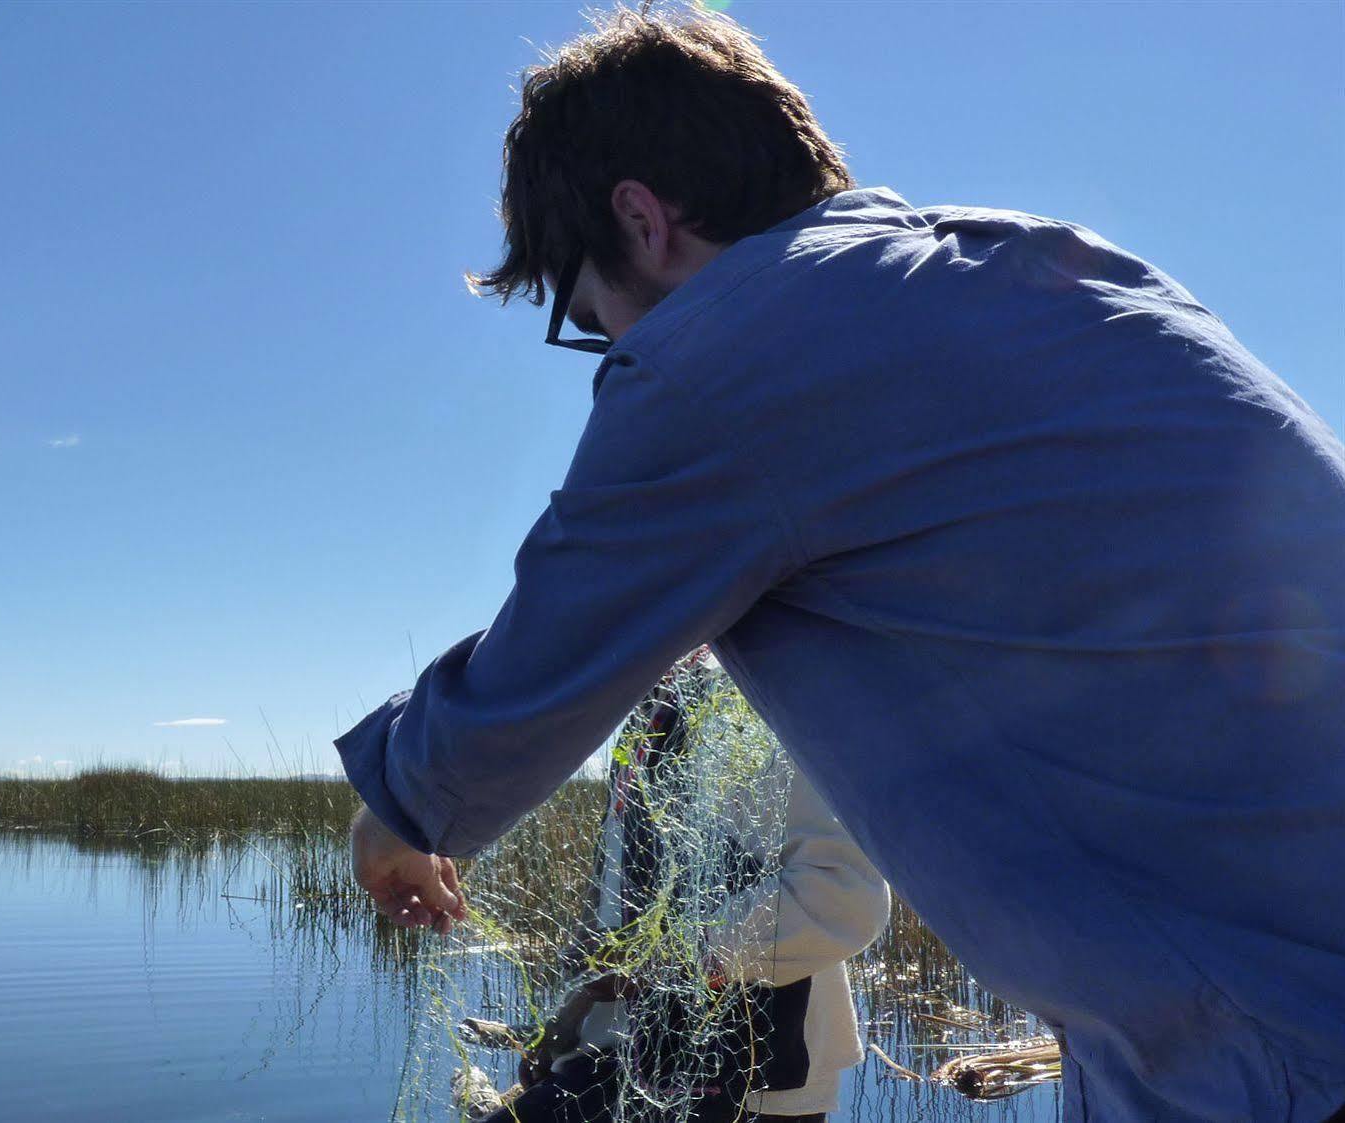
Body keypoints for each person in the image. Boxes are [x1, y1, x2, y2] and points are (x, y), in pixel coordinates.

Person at [334, 8, 1345, 1122]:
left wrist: (399, 804)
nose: (616, 352)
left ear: (640, 219)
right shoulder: (1050, 268)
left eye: (591, 318)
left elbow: (546, 652)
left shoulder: (729, 352)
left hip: (1277, 1042)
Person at [476, 652, 889, 1123]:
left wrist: (668, 960)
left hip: (754, 1085)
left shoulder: (762, 699)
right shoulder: (645, 714)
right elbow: (615, 892)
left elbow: (845, 895)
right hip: (623, 1058)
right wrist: (565, 1024)